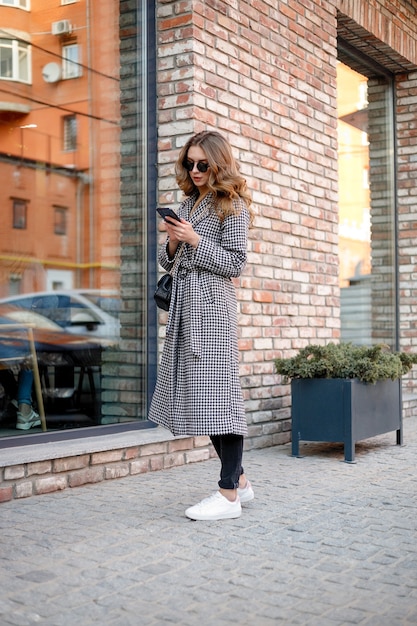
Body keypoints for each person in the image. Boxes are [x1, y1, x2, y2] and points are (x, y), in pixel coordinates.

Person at [149, 130, 255, 521]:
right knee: (202, 397)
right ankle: (240, 482)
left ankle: (228, 495)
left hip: (212, 309)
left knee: (220, 398)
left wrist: (194, 239)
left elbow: (236, 263)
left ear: (218, 163)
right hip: (186, 308)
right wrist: (175, 242)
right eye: (188, 163)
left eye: (202, 164)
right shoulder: (189, 203)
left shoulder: (232, 205)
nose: (194, 170)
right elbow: (167, 261)